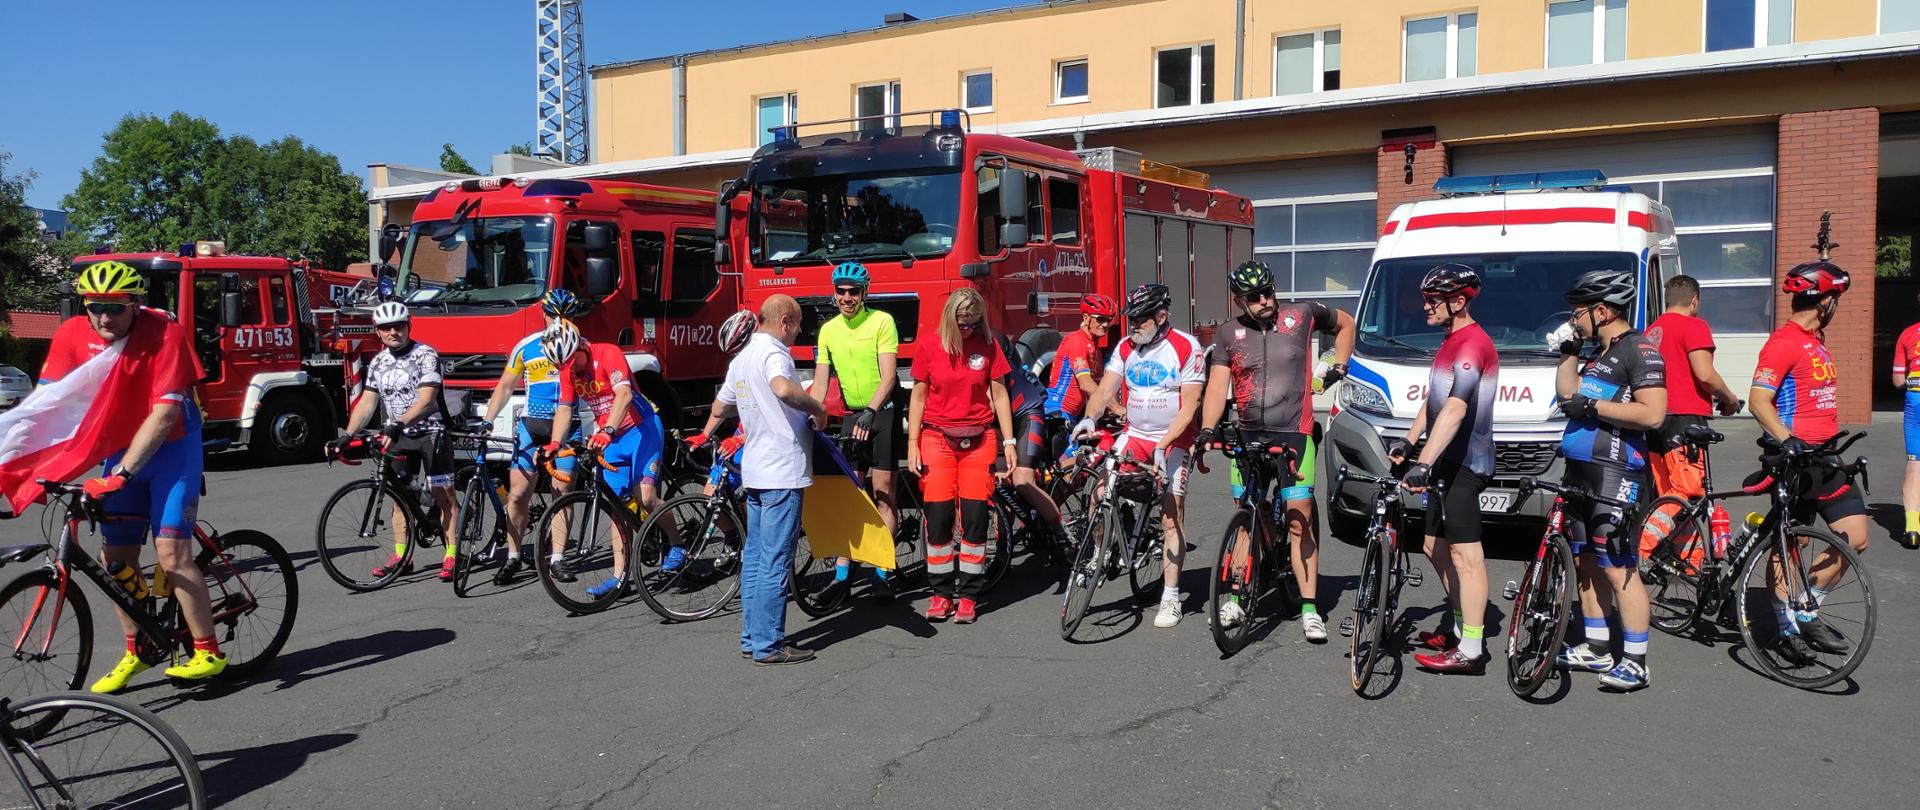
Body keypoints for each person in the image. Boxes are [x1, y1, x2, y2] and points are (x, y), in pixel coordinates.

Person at [37, 261, 228, 693]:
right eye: (96, 307)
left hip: (172, 448)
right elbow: (48, 403)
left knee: (171, 554)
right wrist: (32, 468)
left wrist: (122, 473)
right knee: (115, 562)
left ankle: (208, 651)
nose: (105, 318)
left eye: (116, 308)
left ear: (135, 305)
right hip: (122, 444)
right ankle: (137, 650)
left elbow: (164, 415)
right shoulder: (72, 334)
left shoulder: (164, 333)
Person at [1197, 260, 1355, 642]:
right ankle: (1237, 596)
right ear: (1239, 300)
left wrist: (1338, 364)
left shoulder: (1301, 315)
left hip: (1294, 435)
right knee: (1246, 516)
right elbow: (1217, 386)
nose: (1265, 300)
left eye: (1268, 291)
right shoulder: (1228, 333)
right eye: (1255, 297)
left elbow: (1347, 324)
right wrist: (1206, 429)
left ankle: (1309, 607)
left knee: (1300, 519)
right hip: (1248, 435)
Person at [1551, 270, 1667, 693]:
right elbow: (1568, 395)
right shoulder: (1599, 351)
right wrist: (1569, 352)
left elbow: (1653, 414)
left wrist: (1593, 407)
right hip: (1580, 471)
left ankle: (1635, 661)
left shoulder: (1639, 350)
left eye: (1578, 312)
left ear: (1601, 311)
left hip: (1615, 471)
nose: (1573, 319)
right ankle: (1597, 646)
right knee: (1586, 562)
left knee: (1619, 567)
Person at [1749, 259, 1868, 659]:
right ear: (1825, 301)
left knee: (1856, 537)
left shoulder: (1815, 341)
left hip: (1826, 456)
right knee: (1791, 543)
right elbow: (1758, 400)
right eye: (1836, 299)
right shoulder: (1783, 343)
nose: (1837, 306)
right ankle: (1785, 627)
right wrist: (1788, 440)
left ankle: (1807, 607)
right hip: (1793, 458)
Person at [1072, 283, 1206, 629]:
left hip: (1173, 440)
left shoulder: (1185, 347)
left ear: (1161, 317)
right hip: (1135, 435)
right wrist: (1090, 419)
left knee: (1171, 517)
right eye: (1130, 319)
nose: (1133, 326)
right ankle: (1100, 554)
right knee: (1098, 492)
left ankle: (1171, 597)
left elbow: (1190, 406)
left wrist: (1165, 444)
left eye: (1140, 319)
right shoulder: (1125, 347)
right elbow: (1104, 390)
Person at [1387, 264, 1498, 675]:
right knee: (1433, 547)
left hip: (1468, 462)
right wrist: (1410, 440)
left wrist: (1423, 463)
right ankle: (1459, 625)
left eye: (1433, 300)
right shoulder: (1450, 340)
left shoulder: (1472, 345)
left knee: (1466, 556)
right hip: (1445, 462)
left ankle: (1472, 650)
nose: (1425, 306)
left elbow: (1455, 409)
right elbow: (1434, 400)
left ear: (1459, 301)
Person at [714, 295, 827, 664]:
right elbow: (782, 388)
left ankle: (752, 638)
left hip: (756, 469)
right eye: (797, 325)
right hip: (782, 469)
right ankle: (769, 644)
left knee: (756, 557)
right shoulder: (775, 353)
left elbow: (720, 406)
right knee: (776, 560)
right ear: (785, 322)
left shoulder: (742, 358)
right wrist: (817, 407)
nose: (797, 333)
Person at [541, 321, 674, 598]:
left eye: (571, 361)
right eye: (563, 365)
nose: (570, 369)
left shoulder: (608, 353)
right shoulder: (568, 369)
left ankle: (677, 544)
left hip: (641, 429)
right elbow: (565, 409)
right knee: (616, 506)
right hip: (611, 437)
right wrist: (554, 443)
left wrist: (608, 430)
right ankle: (619, 576)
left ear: (580, 347)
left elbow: (624, 394)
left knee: (645, 496)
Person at [908, 288, 1017, 624]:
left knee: (975, 518)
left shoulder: (988, 345)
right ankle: (941, 595)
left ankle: (968, 596)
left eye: (973, 322)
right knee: (939, 518)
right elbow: (918, 396)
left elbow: (1000, 395)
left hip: (979, 438)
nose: (967, 329)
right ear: (949, 319)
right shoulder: (930, 345)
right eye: (962, 323)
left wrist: (1009, 441)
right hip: (937, 437)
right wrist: (912, 442)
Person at [336, 301, 460, 583]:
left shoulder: (425, 354)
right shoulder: (379, 362)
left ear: (409, 326)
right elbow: (367, 402)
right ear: (377, 331)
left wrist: (398, 423)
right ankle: (403, 557)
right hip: (400, 434)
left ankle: (452, 553)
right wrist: (347, 435)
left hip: (431, 432)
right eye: (386, 327)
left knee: (443, 495)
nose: (393, 332)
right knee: (399, 498)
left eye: (399, 326)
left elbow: (426, 400)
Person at [479, 289, 587, 583]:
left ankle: (558, 558)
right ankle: (513, 556)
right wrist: (488, 420)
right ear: (544, 314)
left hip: (569, 427)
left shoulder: (582, 347)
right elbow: (505, 386)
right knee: (517, 495)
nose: (559, 320)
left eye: (567, 315)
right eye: (553, 314)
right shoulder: (526, 346)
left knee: (562, 494)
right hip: (533, 426)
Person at [810, 262, 902, 599]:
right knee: (849, 496)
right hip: (852, 416)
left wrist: (871, 411)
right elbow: (821, 382)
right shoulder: (829, 330)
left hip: (882, 413)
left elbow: (889, 377)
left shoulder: (882, 321)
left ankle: (881, 572)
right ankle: (842, 575)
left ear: (864, 293)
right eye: (841, 291)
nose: (847, 297)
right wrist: (812, 413)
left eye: (853, 291)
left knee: (883, 494)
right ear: (834, 293)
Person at [1637, 276, 1744, 559]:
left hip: (1655, 420)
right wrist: (1730, 398)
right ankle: (1640, 553)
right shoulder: (1694, 326)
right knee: (1689, 491)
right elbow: (1705, 374)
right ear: (1694, 300)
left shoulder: (1651, 332)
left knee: (1670, 496)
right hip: (1685, 421)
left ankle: (1689, 563)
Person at [990, 326, 1070, 551]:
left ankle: (1062, 532)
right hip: (999, 415)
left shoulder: (989, 342)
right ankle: (1002, 548)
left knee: (1021, 481)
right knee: (997, 482)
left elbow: (991, 398)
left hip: (1026, 410)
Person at [1044, 294, 1122, 422]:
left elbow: (1102, 387)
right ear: (1086, 318)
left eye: (1109, 319)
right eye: (1101, 319)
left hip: (1072, 415)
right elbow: (1086, 384)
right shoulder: (1077, 341)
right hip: (1057, 412)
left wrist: (1117, 408)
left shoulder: (1095, 349)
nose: (1105, 324)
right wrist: (1116, 408)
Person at [1892, 298, 1920, 550]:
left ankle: (1912, 529)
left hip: (1915, 399)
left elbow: (1898, 380)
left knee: (1915, 464)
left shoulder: (1908, 334)